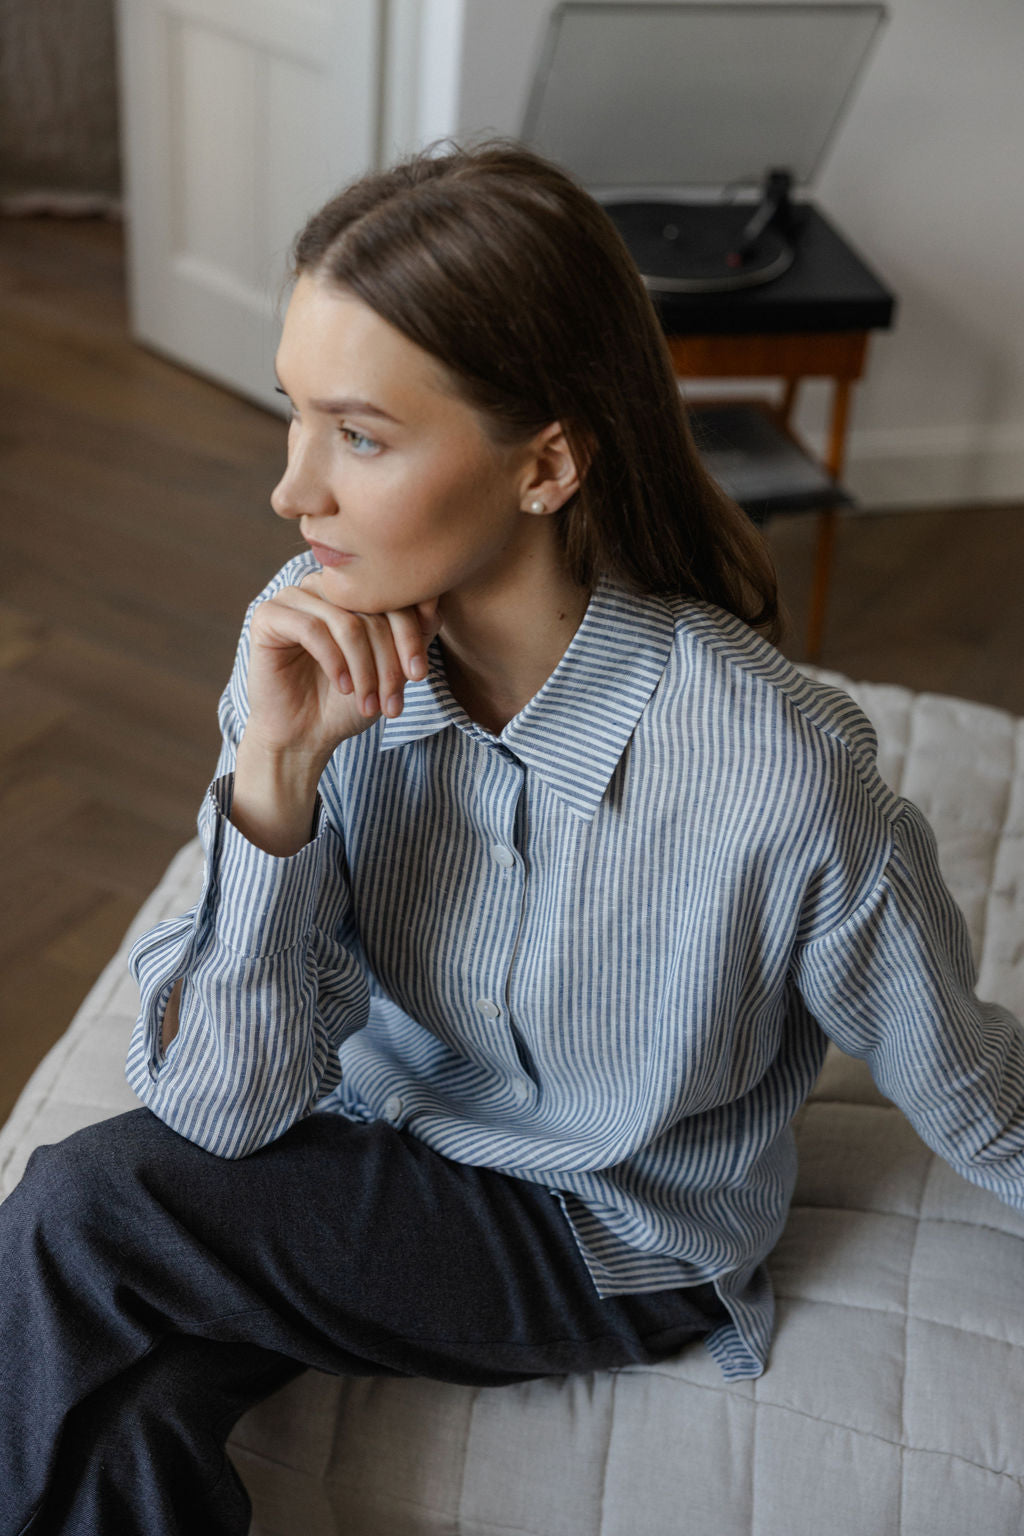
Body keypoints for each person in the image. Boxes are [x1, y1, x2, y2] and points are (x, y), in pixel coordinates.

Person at [2, 139, 1023, 1536]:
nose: (293, 494)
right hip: (382, 1136)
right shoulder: (304, 648)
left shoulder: (777, 777)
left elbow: (968, 1081)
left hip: (608, 1229)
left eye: (359, 437)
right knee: (129, 1400)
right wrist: (275, 789)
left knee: (82, 1206)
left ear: (546, 463)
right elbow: (228, 1107)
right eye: (293, 419)